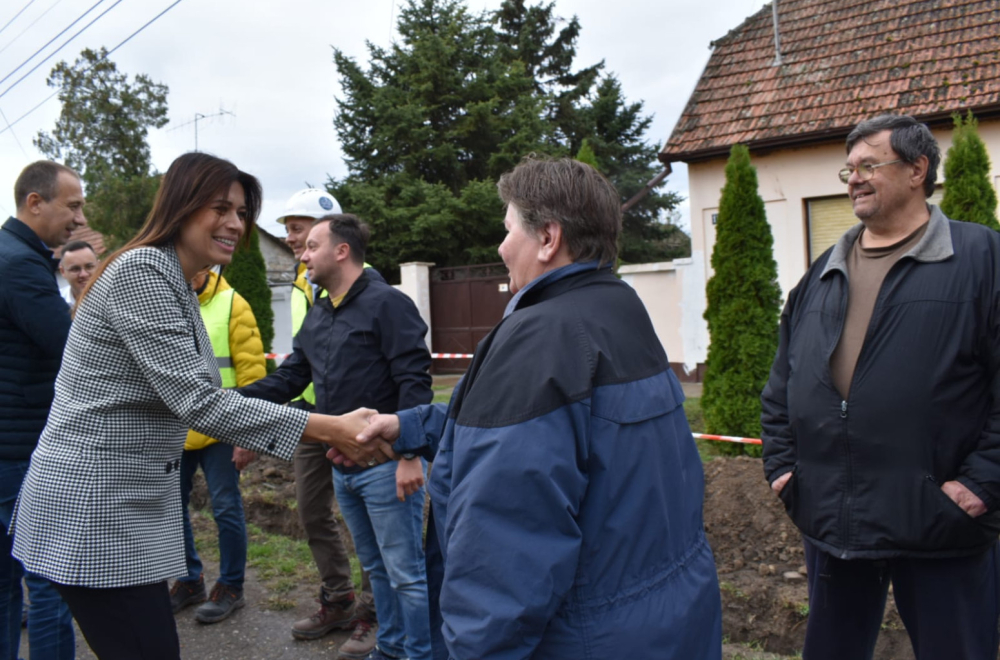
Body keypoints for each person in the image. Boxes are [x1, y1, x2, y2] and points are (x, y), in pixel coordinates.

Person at [9, 152, 390, 660]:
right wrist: (330, 428)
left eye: (240, 212)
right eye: (221, 208)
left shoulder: (178, 280)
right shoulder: (144, 272)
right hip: (93, 512)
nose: (235, 223)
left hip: (123, 510)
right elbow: (197, 401)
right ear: (181, 205)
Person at [354, 156, 723, 659]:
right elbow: (553, 439)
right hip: (667, 620)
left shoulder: (540, 338)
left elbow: (503, 554)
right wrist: (410, 425)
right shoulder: (619, 309)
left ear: (548, 238)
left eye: (508, 230)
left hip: (584, 639)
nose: (502, 247)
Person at [761, 114, 1000, 660]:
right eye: (849, 168)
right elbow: (781, 384)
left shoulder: (983, 260)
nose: (853, 179)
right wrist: (782, 467)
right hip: (833, 519)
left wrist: (984, 483)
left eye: (870, 165)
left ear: (918, 170)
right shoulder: (823, 270)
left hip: (940, 520)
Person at [240, 214, 434, 660]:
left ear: (341, 251)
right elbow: (291, 377)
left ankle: (421, 654)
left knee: (405, 574)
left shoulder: (388, 303)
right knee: (378, 572)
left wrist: (409, 455)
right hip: (343, 465)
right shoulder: (321, 310)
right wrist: (226, 400)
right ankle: (390, 648)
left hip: (386, 467)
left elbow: (414, 382)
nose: (302, 254)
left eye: (311, 246)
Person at [276, 189, 378, 655]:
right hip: (309, 417)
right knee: (311, 510)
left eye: (299, 229)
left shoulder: (368, 287)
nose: (291, 238)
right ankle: (338, 599)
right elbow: (300, 361)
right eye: (290, 229)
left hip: (356, 420)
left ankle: (373, 612)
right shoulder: (305, 284)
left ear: (332, 234)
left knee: (368, 521)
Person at [0, 160, 83, 660]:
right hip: (19, 451)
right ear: (36, 202)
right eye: (71, 205)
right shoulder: (20, 264)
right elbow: (68, 346)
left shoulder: (11, 254)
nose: (78, 217)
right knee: (50, 583)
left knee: (7, 588)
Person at [169, 268, 263, 623]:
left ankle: (231, 586)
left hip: (222, 427)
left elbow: (252, 373)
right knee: (171, 508)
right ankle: (190, 579)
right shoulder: (169, 301)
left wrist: (246, 434)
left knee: (225, 507)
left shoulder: (232, 304)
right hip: (178, 427)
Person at [58, 239, 98, 306]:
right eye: (75, 269)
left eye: (89, 267)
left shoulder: (114, 297)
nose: (83, 274)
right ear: (63, 272)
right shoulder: (55, 302)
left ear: (99, 267)